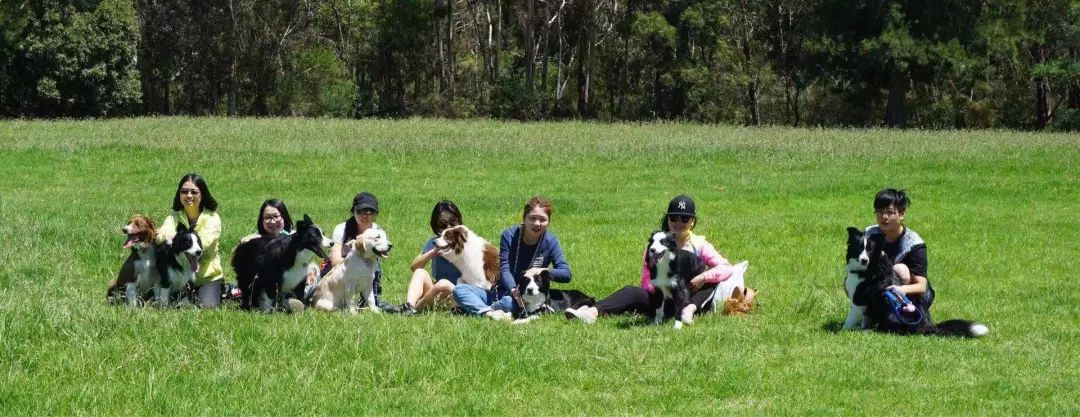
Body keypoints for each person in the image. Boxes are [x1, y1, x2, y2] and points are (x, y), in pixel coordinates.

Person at [567, 195, 741, 325]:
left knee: (712, 280)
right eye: (673, 218)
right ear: (668, 219)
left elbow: (726, 267)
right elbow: (646, 279)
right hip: (659, 299)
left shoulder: (699, 244)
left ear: (693, 221)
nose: (678, 222)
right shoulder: (656, 244)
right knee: (632, 291)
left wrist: (704, 277)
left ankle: (689, 310)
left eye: (684, 218)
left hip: (686, 297)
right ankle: (592, 312)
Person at [452, 196, 572, 320]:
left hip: (525, 297)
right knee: (459, 290)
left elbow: (566, 273)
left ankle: (476, 308)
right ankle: (488, 312)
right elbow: (505, 268)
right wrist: (513, 289)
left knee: (508, 303)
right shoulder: (509, 235)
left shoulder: (551, 241)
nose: (537, 223)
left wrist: (543, 270)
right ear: (524, 218)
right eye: (532, 218)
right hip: (501, 291)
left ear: (548, 222)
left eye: (543, 219)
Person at [156, 173, 224, 308]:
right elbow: (160, 236)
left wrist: (179, 240)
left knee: (207, 306)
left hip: (206, 277)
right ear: (179, 194)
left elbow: (204, 243)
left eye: (194, 192)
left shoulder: (212, 218)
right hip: (180, 275)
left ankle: (223, 289)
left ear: (202, 194)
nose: (188, 195)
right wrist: (167, 236)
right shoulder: (174, 217)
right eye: (184, 191)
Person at [865, 188, 934, 319]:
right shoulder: (868, 235)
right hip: (881, 287)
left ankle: (904, 315)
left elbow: (922, 287)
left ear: (902, 214)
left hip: (913, 295)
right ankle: (869, 315)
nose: (884, 217)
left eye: (890, 212)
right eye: (880, 212)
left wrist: (901, 290)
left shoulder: (914, 243)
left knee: (900, 269)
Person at [326, 191, 398, 312]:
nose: (365, 216)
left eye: (370, 212)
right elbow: (335, 261)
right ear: (353, 211)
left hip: (366, 273)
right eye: (360, 211)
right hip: (340, 273)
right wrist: (356, 254)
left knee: (375, 264)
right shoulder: (341, 229)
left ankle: (372, 299)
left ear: (375, 214)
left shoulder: (378, 232)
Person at [400, 200, 464, 315]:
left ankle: (417, 309)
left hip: (460, 295)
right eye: (443, 225)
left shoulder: (468, 242)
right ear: (436, 227)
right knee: (420, 272)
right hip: (438, 293)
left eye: (453, 222)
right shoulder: (434, 242)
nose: (449, 228)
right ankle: (409, 306)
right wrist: (433, 252)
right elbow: (414, 267)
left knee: (444, 283)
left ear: (459, 221)